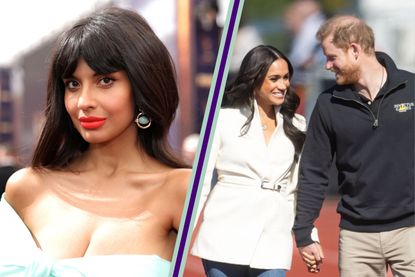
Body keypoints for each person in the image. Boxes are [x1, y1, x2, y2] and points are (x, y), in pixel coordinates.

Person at [0, 7, 190, 277]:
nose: (84, 102)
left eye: (105, 80)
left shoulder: (181, 192)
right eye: (73, 84)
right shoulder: (27, 188)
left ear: (141, 86)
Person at [293, 15, 415, 276]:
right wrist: (303, 231)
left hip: (411, 231)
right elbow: (313, 169)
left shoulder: (412, 89)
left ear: (355, 50)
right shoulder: (328, 104)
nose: (327, 65)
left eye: (331, 57)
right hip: (356, 237)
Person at [192, 45, 317, 277]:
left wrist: (309, 236)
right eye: (274, 78)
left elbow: (298, 187)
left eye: (286, 78)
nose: (283, 85)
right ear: (254, 79)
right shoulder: (222, 120)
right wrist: (181, 235)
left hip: (274, 234)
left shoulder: (297, 124)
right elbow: (201, 185)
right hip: (224, 232)